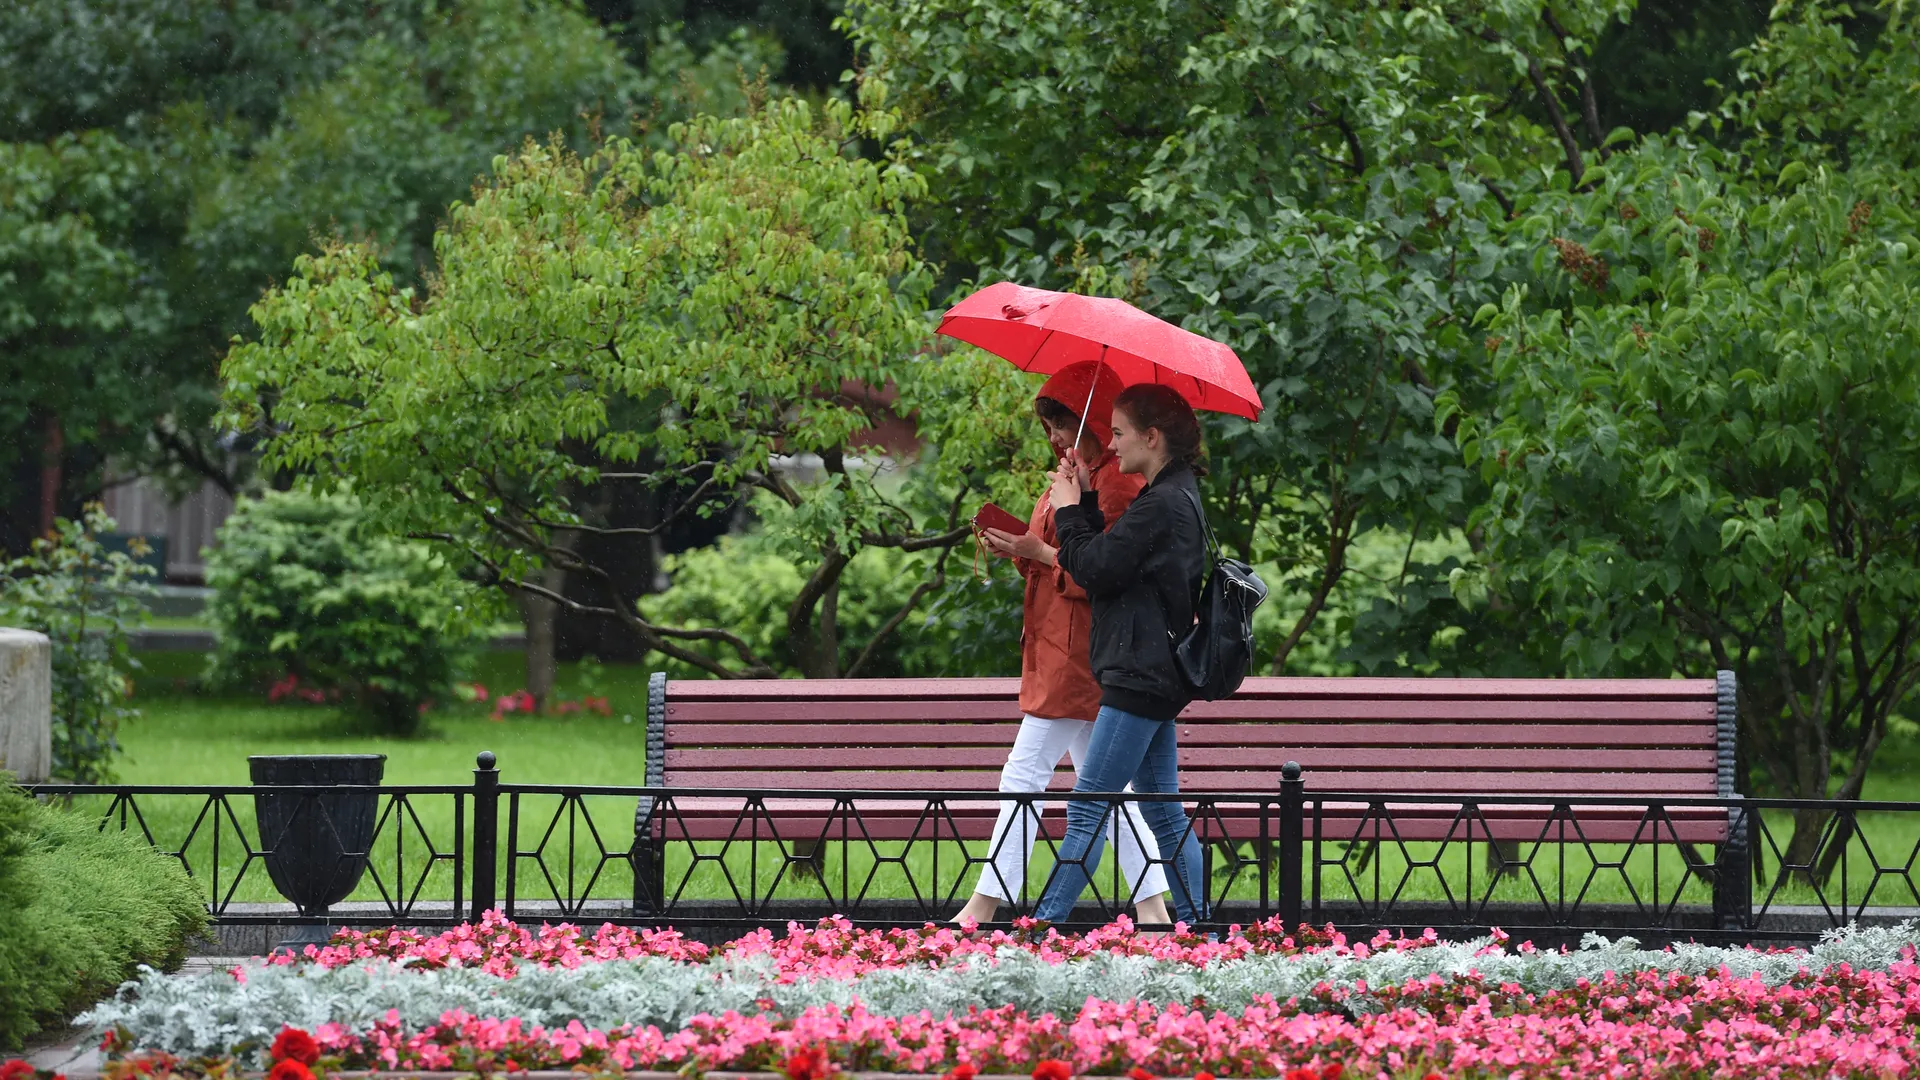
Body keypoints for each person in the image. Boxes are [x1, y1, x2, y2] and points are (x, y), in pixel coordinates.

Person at [953, 361, 1173, 928]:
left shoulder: (1117, 484)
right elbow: (1058, 557)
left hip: (1079, 655)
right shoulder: (1078, 476)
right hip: (1058, 647)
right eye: (1049, 424)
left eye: (1063, 421)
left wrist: (1042, 546)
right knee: (1110, 788)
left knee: (1023, 775)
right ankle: (1152, 910)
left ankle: (984, 904)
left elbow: (1102, 576)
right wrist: (1023, 548)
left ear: (1093, 422)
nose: (1053, 435)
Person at [1029, 383, 1211, 927]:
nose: (1113, 441)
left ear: (1151, 438)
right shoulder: (1175, 495)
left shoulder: (1160, 504)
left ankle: (1045, 929)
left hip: (1139, 675)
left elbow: (1096, 567)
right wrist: (1083, 499)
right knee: (1162, 811)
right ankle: (1200, 929)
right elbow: (1111, 561)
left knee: (1089, 806)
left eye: (1121, 432)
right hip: (1154, 674)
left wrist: (1066, 511)